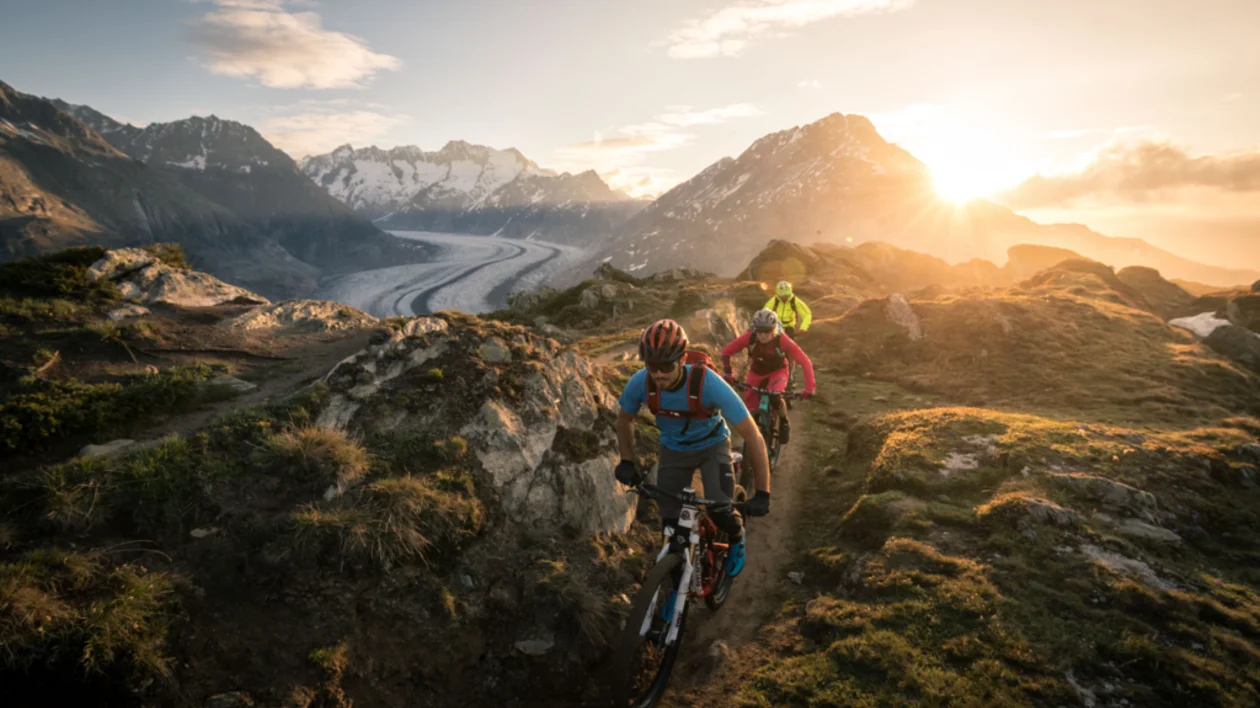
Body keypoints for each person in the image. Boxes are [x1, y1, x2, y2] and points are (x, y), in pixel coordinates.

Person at [615, 319, 772, 578]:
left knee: (720, 510)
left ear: (682, 359)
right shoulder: (640, 383)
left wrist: (764, 492)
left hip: (713, 446)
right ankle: (675, 581)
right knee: (669, 522)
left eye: (666, 365)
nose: (658, 374)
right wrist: (627, 461)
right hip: (673, 449)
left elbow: (754, 436)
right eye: (652, 366)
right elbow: (624, 421)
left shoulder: (708, 383)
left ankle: (736, 536)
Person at [720, 309, 816, 446]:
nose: (763, 335)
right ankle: (752, 442)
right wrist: (728, 373)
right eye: (759, 331)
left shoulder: (782, 340)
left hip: (778, 371)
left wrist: (810, 387)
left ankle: (784, 421)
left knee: (776, 395)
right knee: (750, 411)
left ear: (774, 329)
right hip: (756, 372)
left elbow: (805, 362)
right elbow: (726, 352)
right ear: (755, 330)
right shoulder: (749, 337)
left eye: (767, 331)